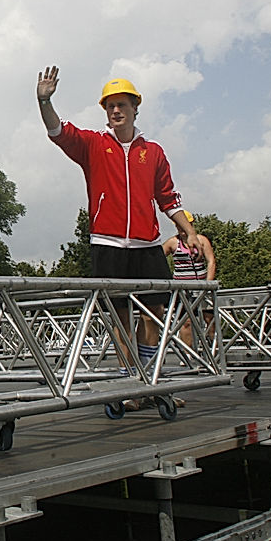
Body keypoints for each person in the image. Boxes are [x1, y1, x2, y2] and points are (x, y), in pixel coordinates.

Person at [37, 66, 203, 398]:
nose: (115, 111)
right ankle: (130, 388)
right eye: (110, 106)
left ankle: (151, 385)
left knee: (154, 314)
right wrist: (44, 101)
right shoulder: (93, 145)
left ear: (134, 108)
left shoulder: (152, 151)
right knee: (122, 319)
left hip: (147, 244)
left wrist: (189, 232)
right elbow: (58, 131)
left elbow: (168, 197)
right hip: (108, 244)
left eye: (122, 105)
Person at [161, 211, 216, 346]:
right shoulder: (173, 243)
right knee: (186, 321)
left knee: (209, 318)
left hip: (202, 287)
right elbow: (158, 258)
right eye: (179, 226)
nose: (182, 229)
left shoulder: (202, 240)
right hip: (182, 290)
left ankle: (213, 349)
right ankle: (188, 354)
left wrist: (208, 284)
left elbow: (211, 262)